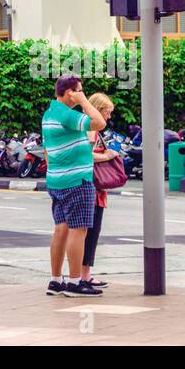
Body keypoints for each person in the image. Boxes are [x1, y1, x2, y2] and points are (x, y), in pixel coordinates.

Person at [42, 73, 106, 298]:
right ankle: (75, 281)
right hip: (76, 181)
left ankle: (56, 280)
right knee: (78, 231)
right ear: (70, 92)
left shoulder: (49, 113)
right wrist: (84, 101)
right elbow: (99, 123)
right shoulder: (67, 115)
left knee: (61, 230)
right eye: (79, 90)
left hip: (56, 180)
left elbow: (47, 151)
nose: (81, 93)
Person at [79, 91, 119, 289]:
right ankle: (82, 276)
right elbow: (86, 155)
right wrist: (108, 156)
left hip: (94, 188)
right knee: (90, 232)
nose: (109, 117)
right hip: (91, 189)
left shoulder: (88, 129)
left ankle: (84, 274)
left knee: (90, 232)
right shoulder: (91, 130)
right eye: (107, 112)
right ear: (98, 110)